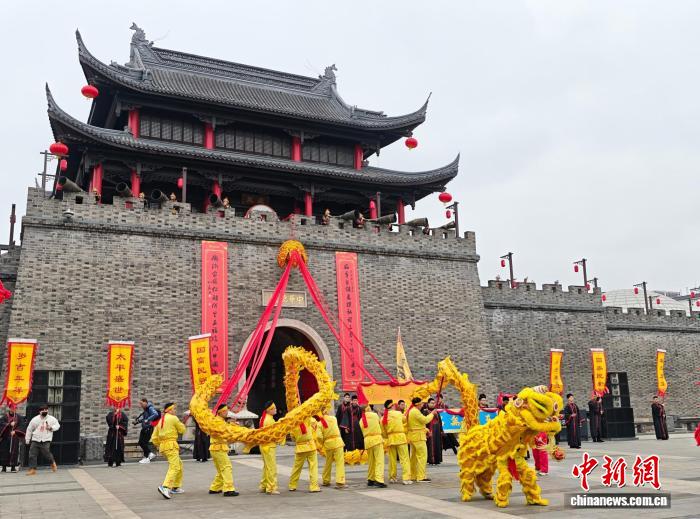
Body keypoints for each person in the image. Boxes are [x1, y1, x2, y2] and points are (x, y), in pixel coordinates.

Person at [151, 403, 186, 499]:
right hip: (171, 445)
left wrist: (160, 445)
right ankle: (165, 486)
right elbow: (182, 430)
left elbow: (154, 438)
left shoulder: (160, 421)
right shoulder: (173, 418)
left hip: (163, 446)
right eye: (174, 409)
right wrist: (182, 423)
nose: (175, 411)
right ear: (169, 410)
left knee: (179, 464)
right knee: (175, 466)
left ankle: (175, 486)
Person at [208, 404, 238, 497]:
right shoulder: (218, 422)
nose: (227, 413)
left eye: (227, 411)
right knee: (227, 467)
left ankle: (215, 487)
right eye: (225, 411)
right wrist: (233, 428)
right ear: (219, 412)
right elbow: (225, 433)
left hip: (216, 448)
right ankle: (228, 489)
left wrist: (231, 425)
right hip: (218, 448)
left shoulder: (218, 421)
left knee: (221, 469)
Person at [381, 399, 412, 485]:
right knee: (404, 458)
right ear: (392, 406)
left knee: (392, 460)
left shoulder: (383, 418)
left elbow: (383, 432)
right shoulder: (398, 413)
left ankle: (392, 477)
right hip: (401, 438)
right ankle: (406, 478)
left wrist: (387, 436)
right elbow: (405, 420)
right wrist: (406, 410)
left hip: (391, 439)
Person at [406, 397, 437, 482]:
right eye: (421, 404)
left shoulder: (411, 411)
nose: (422, 405)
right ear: (418, 404)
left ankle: (413, 475)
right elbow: (425, 420)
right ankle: (421, 476)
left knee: (413, 458)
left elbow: (417, 425)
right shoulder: (415, 412)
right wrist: (432, 414)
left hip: (413, 436)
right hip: (418, 437)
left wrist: (426, 430)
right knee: (422, 456)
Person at [25, 405, 60, 475]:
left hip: (46, 439)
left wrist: (51, 428)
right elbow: (29, 429)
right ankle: (32, 469)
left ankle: (52, 462)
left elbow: (57, 425)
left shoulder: (52, 419)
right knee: (32, 454)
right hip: (35, 439)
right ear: (39, 411)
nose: (44, 411)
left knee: (46, 453)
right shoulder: (35, 419)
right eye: (43, 410)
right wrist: (27, 439)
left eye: (46, 410)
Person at [288, 417, 321, 493]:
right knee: (313, 467)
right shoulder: (309, 419)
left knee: (297, 468)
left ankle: (292, 485)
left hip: (300, 447)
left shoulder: (293, 423)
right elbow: (315, 425)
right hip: (311, 446)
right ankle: (314, 486)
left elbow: (292, 438)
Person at [314, 411, 345, 489]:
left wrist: (322, 443)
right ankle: (340, 481)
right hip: (338, 442)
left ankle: (326, 480)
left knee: (328, 462)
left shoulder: (319, 424)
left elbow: (318, 436)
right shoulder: (334, 418)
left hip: (328, 444)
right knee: (339, 463)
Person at [359, 404, 386, 488]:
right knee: (379, 460)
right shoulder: (374, 415)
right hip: (376, 439)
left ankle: (371, 479)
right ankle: (379, 480)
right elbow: (380, 423)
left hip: (368, 441)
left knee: (371, 461)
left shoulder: (361, 420)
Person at [258, 400, 279, 495]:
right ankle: (271, 487)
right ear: (269, 410)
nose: (276, 410)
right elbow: (273, 435)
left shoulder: (264, 418)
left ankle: (264, 485)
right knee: (271, 468)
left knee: (267, 467)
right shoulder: (269, 420)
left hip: (263, 445)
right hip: (269, 446)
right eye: (274, 408)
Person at [134, 398, 159, 463]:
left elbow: (155, 414)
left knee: (142, 442)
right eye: (140, 404)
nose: (141, 405)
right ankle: (146, 457)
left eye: (141, 403)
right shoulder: (146, 409)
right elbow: (144, 419)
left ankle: (150, 454)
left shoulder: (150, 408)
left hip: (148, 428)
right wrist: (137, 422)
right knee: (142, 443)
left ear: (145, 402)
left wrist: (148, 419)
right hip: (145, 427)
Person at [424, 398, 444, 465]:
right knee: (430, 445)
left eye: (434, 403)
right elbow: (424, 421)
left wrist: (441, 430)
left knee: (437, 445)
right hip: (430, 430)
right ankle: (430, 460)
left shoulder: (436, 412)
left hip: (437, 430)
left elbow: (440, 421)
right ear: (428, 403)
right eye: (432, 403)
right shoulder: (425, 411)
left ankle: (437, 460)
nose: (433, 404)